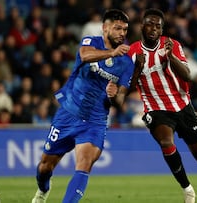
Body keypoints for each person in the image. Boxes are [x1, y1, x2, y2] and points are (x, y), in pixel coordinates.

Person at [127, 9, 197, 203]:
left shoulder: (172, 44)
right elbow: (129, 87)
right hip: (156, 107)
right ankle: (187, 188)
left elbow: (187, 75)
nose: (154, 29)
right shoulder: (132, 52)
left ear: (162, 29)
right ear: (142, 25)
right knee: (166, 142)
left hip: (182, 105)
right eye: (150, 24)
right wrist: (137, 68)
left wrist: (170, 58)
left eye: (158, 26)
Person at [31, 9, 134, 203]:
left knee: (84, 164)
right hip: (69, 113)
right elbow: (85, 55)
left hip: (95, 121)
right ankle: (43, 190)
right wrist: (111, 52)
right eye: (117, 28)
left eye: (125, 29)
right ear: (105, 28)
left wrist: (115, 96)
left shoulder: (127, 63)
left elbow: (121, 98)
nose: (122, 33)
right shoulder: (90, 42)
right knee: (45, 166)